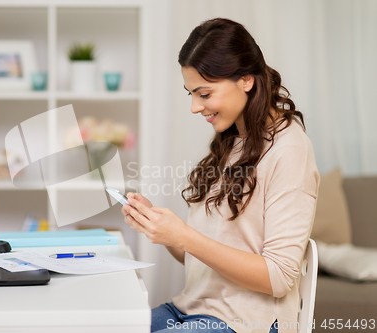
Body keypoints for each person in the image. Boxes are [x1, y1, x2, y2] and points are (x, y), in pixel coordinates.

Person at [121, 18, 320, 333]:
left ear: (245, 80)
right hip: (192, 308)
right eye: (190, 94)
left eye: (204, 93)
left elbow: (279, 276)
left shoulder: (290, 149)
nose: (194, 107)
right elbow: (204, 256)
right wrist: (162, 230)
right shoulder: (232, 139)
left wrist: (186, 236)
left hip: (245, 321)